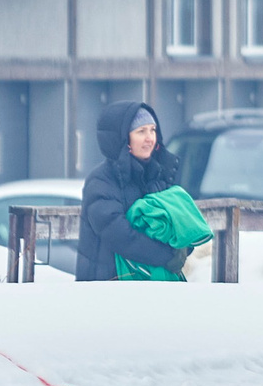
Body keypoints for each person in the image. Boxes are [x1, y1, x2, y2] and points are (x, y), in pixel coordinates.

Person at [77, 102, 192, 282]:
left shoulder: (158, 176)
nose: (150, 138)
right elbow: (118, 235)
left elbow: (179, 222)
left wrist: (183, 247)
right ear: (122, 138)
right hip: (107, 286)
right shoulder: (101, 181)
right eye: (141, 131)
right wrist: (168, 256)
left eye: (153, 130)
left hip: (149, 284)